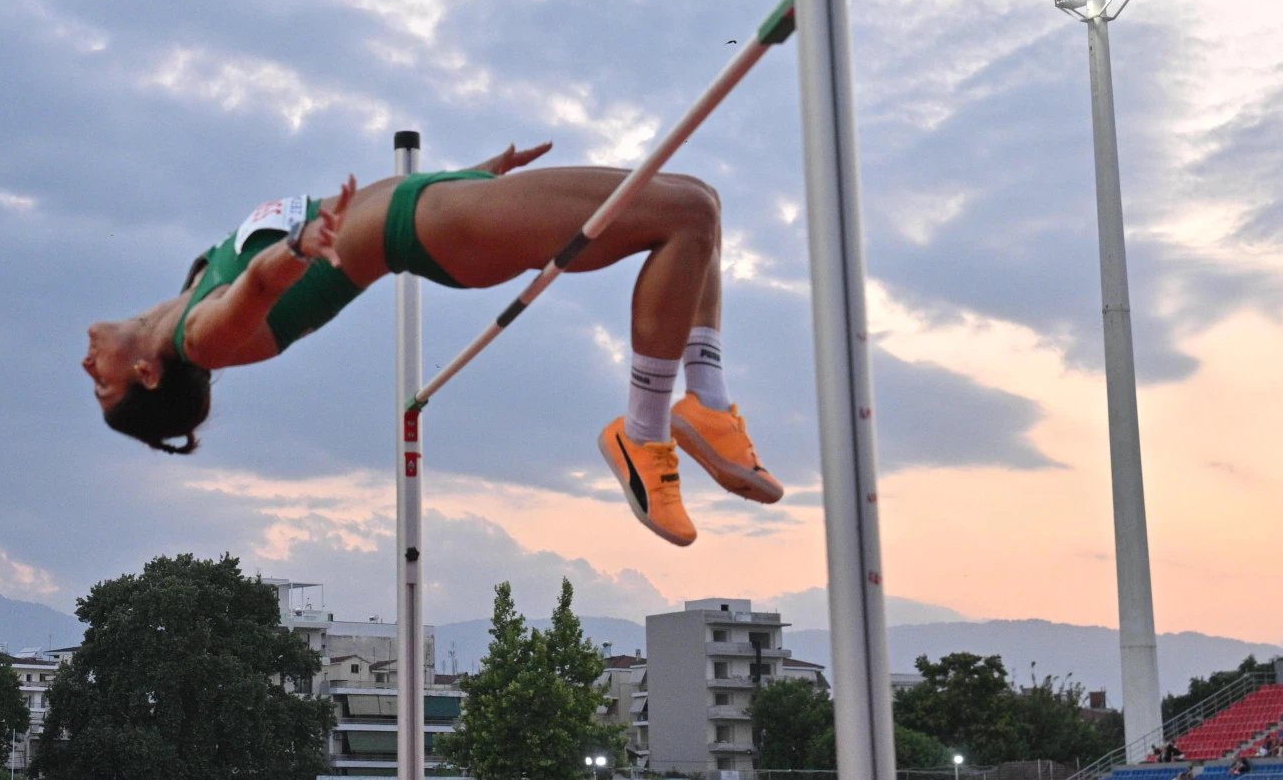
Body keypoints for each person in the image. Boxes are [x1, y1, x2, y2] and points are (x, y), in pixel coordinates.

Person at [82, 149, 783, 547]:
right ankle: (646, 430)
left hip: (438, 202)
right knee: (685, 216)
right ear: (147, 373)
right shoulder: (203, 338)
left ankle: (708, 402)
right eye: (102, 386)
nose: (88, 368)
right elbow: (259, 288)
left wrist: (469, 178)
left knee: (697, 200)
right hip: (431, 229)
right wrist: (300, 249)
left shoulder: (191, 285)